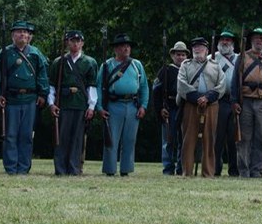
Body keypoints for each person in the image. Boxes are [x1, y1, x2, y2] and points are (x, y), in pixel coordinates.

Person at [0, 20, 49, 174]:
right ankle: (11, 168)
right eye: (19, 32)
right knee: (10, 135)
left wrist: (43, 94)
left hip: (30, 99)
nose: (22, 34)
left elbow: (42, 75)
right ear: (12, 35)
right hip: (11, 99)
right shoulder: (4, 53)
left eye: (25, 32)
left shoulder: (35, 53)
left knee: (26, 135)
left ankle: (24, 168)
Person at [96, 34, 148, 176]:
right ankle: (110, 170)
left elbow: (143, 87)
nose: (126, 48)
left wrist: (143, 105)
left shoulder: (137, 65)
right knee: (111, 140)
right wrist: (99, 107)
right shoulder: (107, 65)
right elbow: (99, 87)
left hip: (132, 105)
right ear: (116, 49)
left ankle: (126, 169)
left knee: (130, 140)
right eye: (122, 46)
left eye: (128, 46)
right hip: (113, 105)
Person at [47, 30, 98, 176]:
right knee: (61, 138)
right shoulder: (59, 62)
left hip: (80, 104)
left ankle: (74, 169)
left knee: (77, 139)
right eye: (72, 41)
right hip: (63, 104)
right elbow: (52, 86)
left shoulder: (90, 62)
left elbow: (91, 86)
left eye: (78, 41)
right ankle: (60, 169)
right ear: (67, 42)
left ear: (82, 43)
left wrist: (91, 106)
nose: (75, 44)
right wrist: (52, 103)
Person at [232, 28, 262, 178]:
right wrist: (234, 101)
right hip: (246, 101)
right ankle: (244, 171)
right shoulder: (242, 57)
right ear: (251, 41)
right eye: (256, 38)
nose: (259, 41)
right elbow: (235, 81)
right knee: (244, 138)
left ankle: (257, 171)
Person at [178, 37, 224, 177]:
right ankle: (187, 171)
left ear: (206, 50)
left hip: (211, 106)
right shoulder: (185, 65)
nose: (198, 50)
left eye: (201, 47)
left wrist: (208, 98)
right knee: (189, 139)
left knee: (209, 139)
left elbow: (221, 85)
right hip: (191, 105)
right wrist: (197, 97)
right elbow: (181, 84)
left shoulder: (215, 66)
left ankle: (208, 172)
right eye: (195, 47)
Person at [153, 41, 187, 175]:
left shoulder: (188, 70)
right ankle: (168, 167)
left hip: (183, 108)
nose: (180, 57)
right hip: (170, 108)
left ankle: (180, 168)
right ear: (173, 56)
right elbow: (156, 92)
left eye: (183, 55)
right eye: (178, 54)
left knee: (183, 140)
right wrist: (160, 108)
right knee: (168, 140)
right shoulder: (165, 71)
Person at [212, 30, 239, 177]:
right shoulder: (212, 58)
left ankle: (234, 170)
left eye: (228, 40)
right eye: (222, 40)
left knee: (234, 139)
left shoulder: (240, 59)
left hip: (235, 101)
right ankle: (215, 168)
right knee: (218, 138)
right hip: (219, 101)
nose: (225, 42)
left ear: (233, 44)